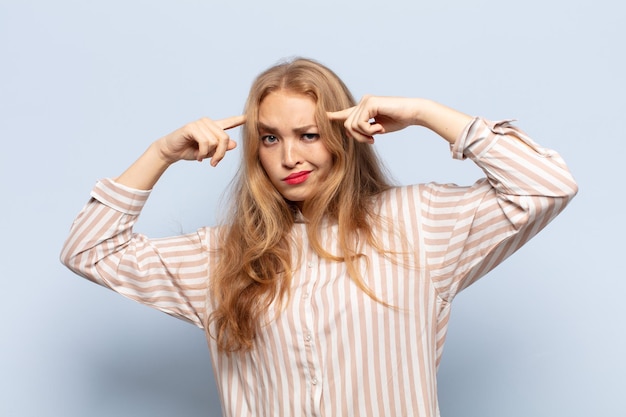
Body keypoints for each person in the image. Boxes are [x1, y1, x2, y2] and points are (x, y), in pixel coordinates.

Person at [60, 57, 577, 416]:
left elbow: (546, 186)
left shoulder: (419, 223)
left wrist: (423, 112)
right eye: (270, 138)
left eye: (308, 134)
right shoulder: (222, 256)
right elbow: (90, 249)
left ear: (341, 136)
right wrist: (161, 152)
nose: (289, 157)